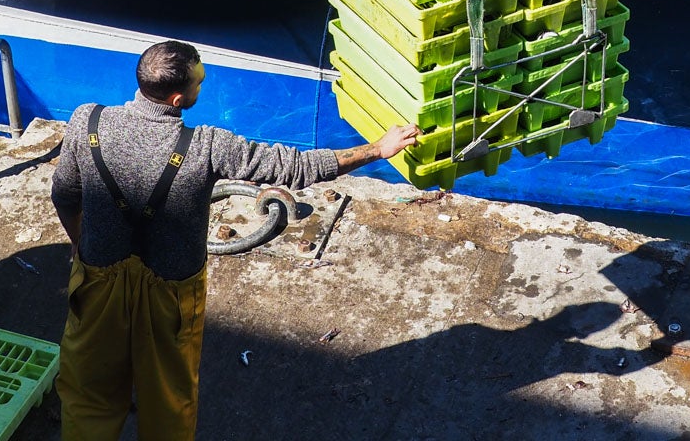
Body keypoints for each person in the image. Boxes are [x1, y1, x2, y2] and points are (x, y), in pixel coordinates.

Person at [50, 40, 421, 440]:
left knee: (88, 392)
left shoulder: (86, 122)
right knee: (169, 401)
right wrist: (378, 150)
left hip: (99, 279)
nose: (202, 87)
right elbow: (294, 167)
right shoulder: (207, 146)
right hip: (171, 296)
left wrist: (77, 242)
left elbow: (64, 194)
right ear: (178, 98)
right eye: (199, 82)